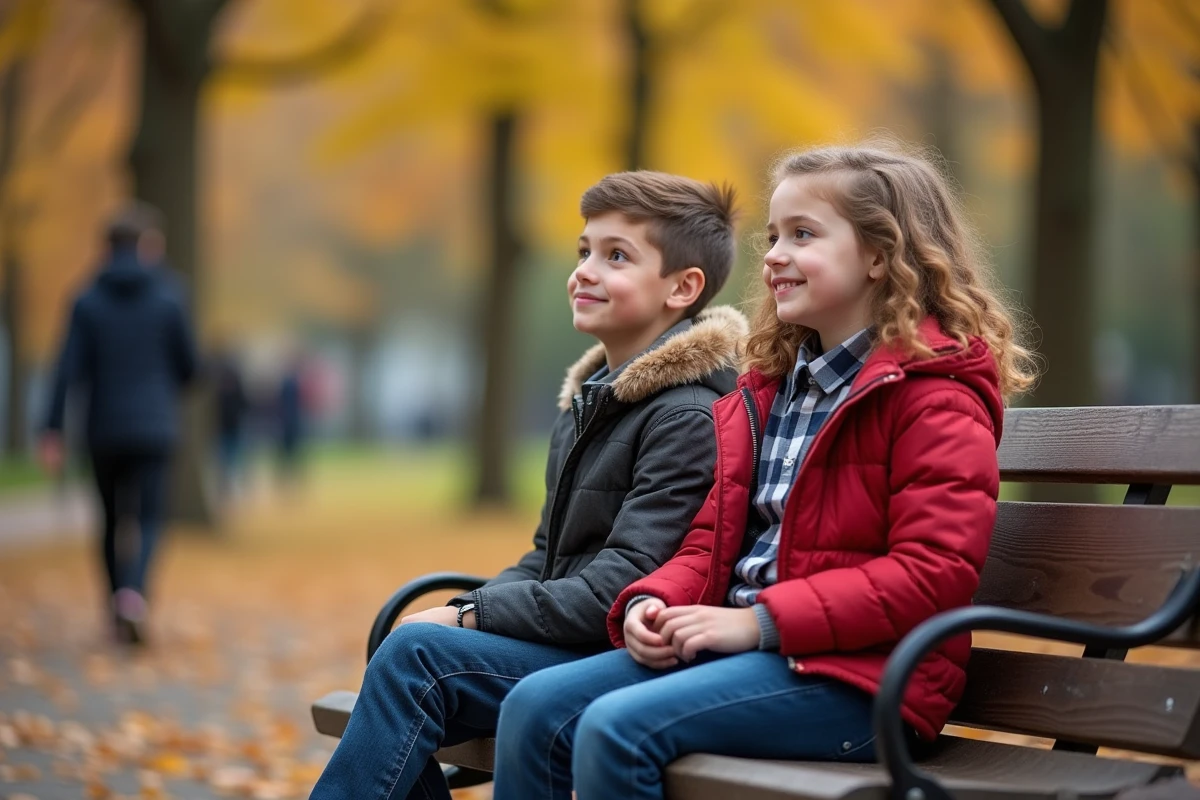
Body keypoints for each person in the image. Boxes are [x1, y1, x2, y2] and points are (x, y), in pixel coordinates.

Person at [490, 142, 1040, 800]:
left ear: (879, 254)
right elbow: (712, 537)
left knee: (615, 729)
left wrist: (760, 622)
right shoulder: (772, 389)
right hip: (750, 655)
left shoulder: (933, 395)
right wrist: (655, 598)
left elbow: (931, 572)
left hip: (863, 683)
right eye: (774, 235)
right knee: (532, 708)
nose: (774, 254)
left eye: (803, 235)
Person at [309, 171, 746, 800]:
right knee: (407, 652)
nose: (585, 271)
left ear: (683, 287)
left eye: (615, 256)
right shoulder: (592, 404)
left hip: (626, 657)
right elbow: (544, 558)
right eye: (583, 251)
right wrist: (472, 609)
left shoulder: (684, 416)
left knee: (414, 658)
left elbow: (616, 589)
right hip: (574, 646)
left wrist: (471, 613)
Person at [39, 202, 198, 646]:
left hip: (103, 428)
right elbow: (189, 365)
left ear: (106, 247)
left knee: (110, 520)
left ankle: (115, 606)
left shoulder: (85, 299)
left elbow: (66, 368)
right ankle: (134, 594)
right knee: (148, 517)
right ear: (147, 245)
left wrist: (50, 428)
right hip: (154, 427)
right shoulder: (171, 295)